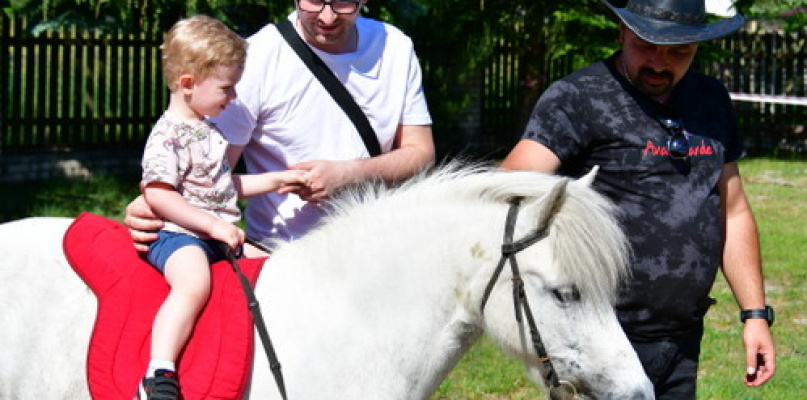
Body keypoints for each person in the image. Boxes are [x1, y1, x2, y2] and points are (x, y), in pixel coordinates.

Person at [500, 0, 776, 398]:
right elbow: (505, 192)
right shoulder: (579, 98)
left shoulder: (710, 101)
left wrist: (754, 315)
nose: (660, 63)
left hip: (682, 339)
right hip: (603, 341)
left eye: (678, 51)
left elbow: (733, 211)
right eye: (646, 45)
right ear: (622, 32)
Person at [125, 0, 435, 255]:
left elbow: (421, 152)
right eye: (313, 1)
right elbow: (205, 176)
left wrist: (349, 174)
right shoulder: (255, 58)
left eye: (342, 2)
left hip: (378, 251)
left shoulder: (395, 47)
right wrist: (152, 204)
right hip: (284, 261)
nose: (327, 16)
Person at [136, 15, 307, 400]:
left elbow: (221, 189)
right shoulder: (168, 137)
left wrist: (280, 180)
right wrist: (214, 228)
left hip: (214, 234)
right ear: (187, 84)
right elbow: (159, 195)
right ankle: (157, 372)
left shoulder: (209, 131)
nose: (233, 99)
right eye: (227, 89)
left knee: (273, 267)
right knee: (193, 283)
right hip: (176, 236)